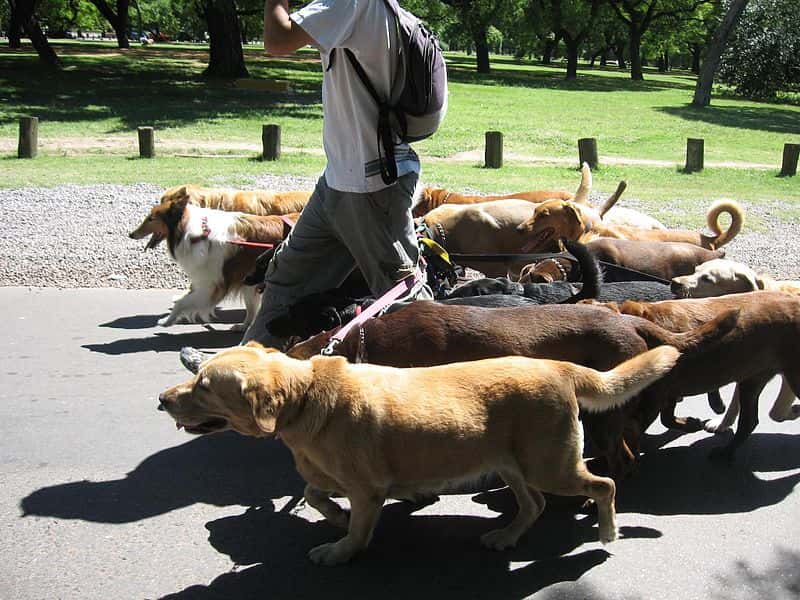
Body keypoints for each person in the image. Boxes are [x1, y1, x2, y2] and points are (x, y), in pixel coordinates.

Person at [181, 0, 444, 369]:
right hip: (341, 181)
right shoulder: (368, 8)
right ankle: (238, 373)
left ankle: (445, 392)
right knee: (288, 276)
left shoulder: (352, 3)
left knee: (404, 298)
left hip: (370, 186)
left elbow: (277, 40)